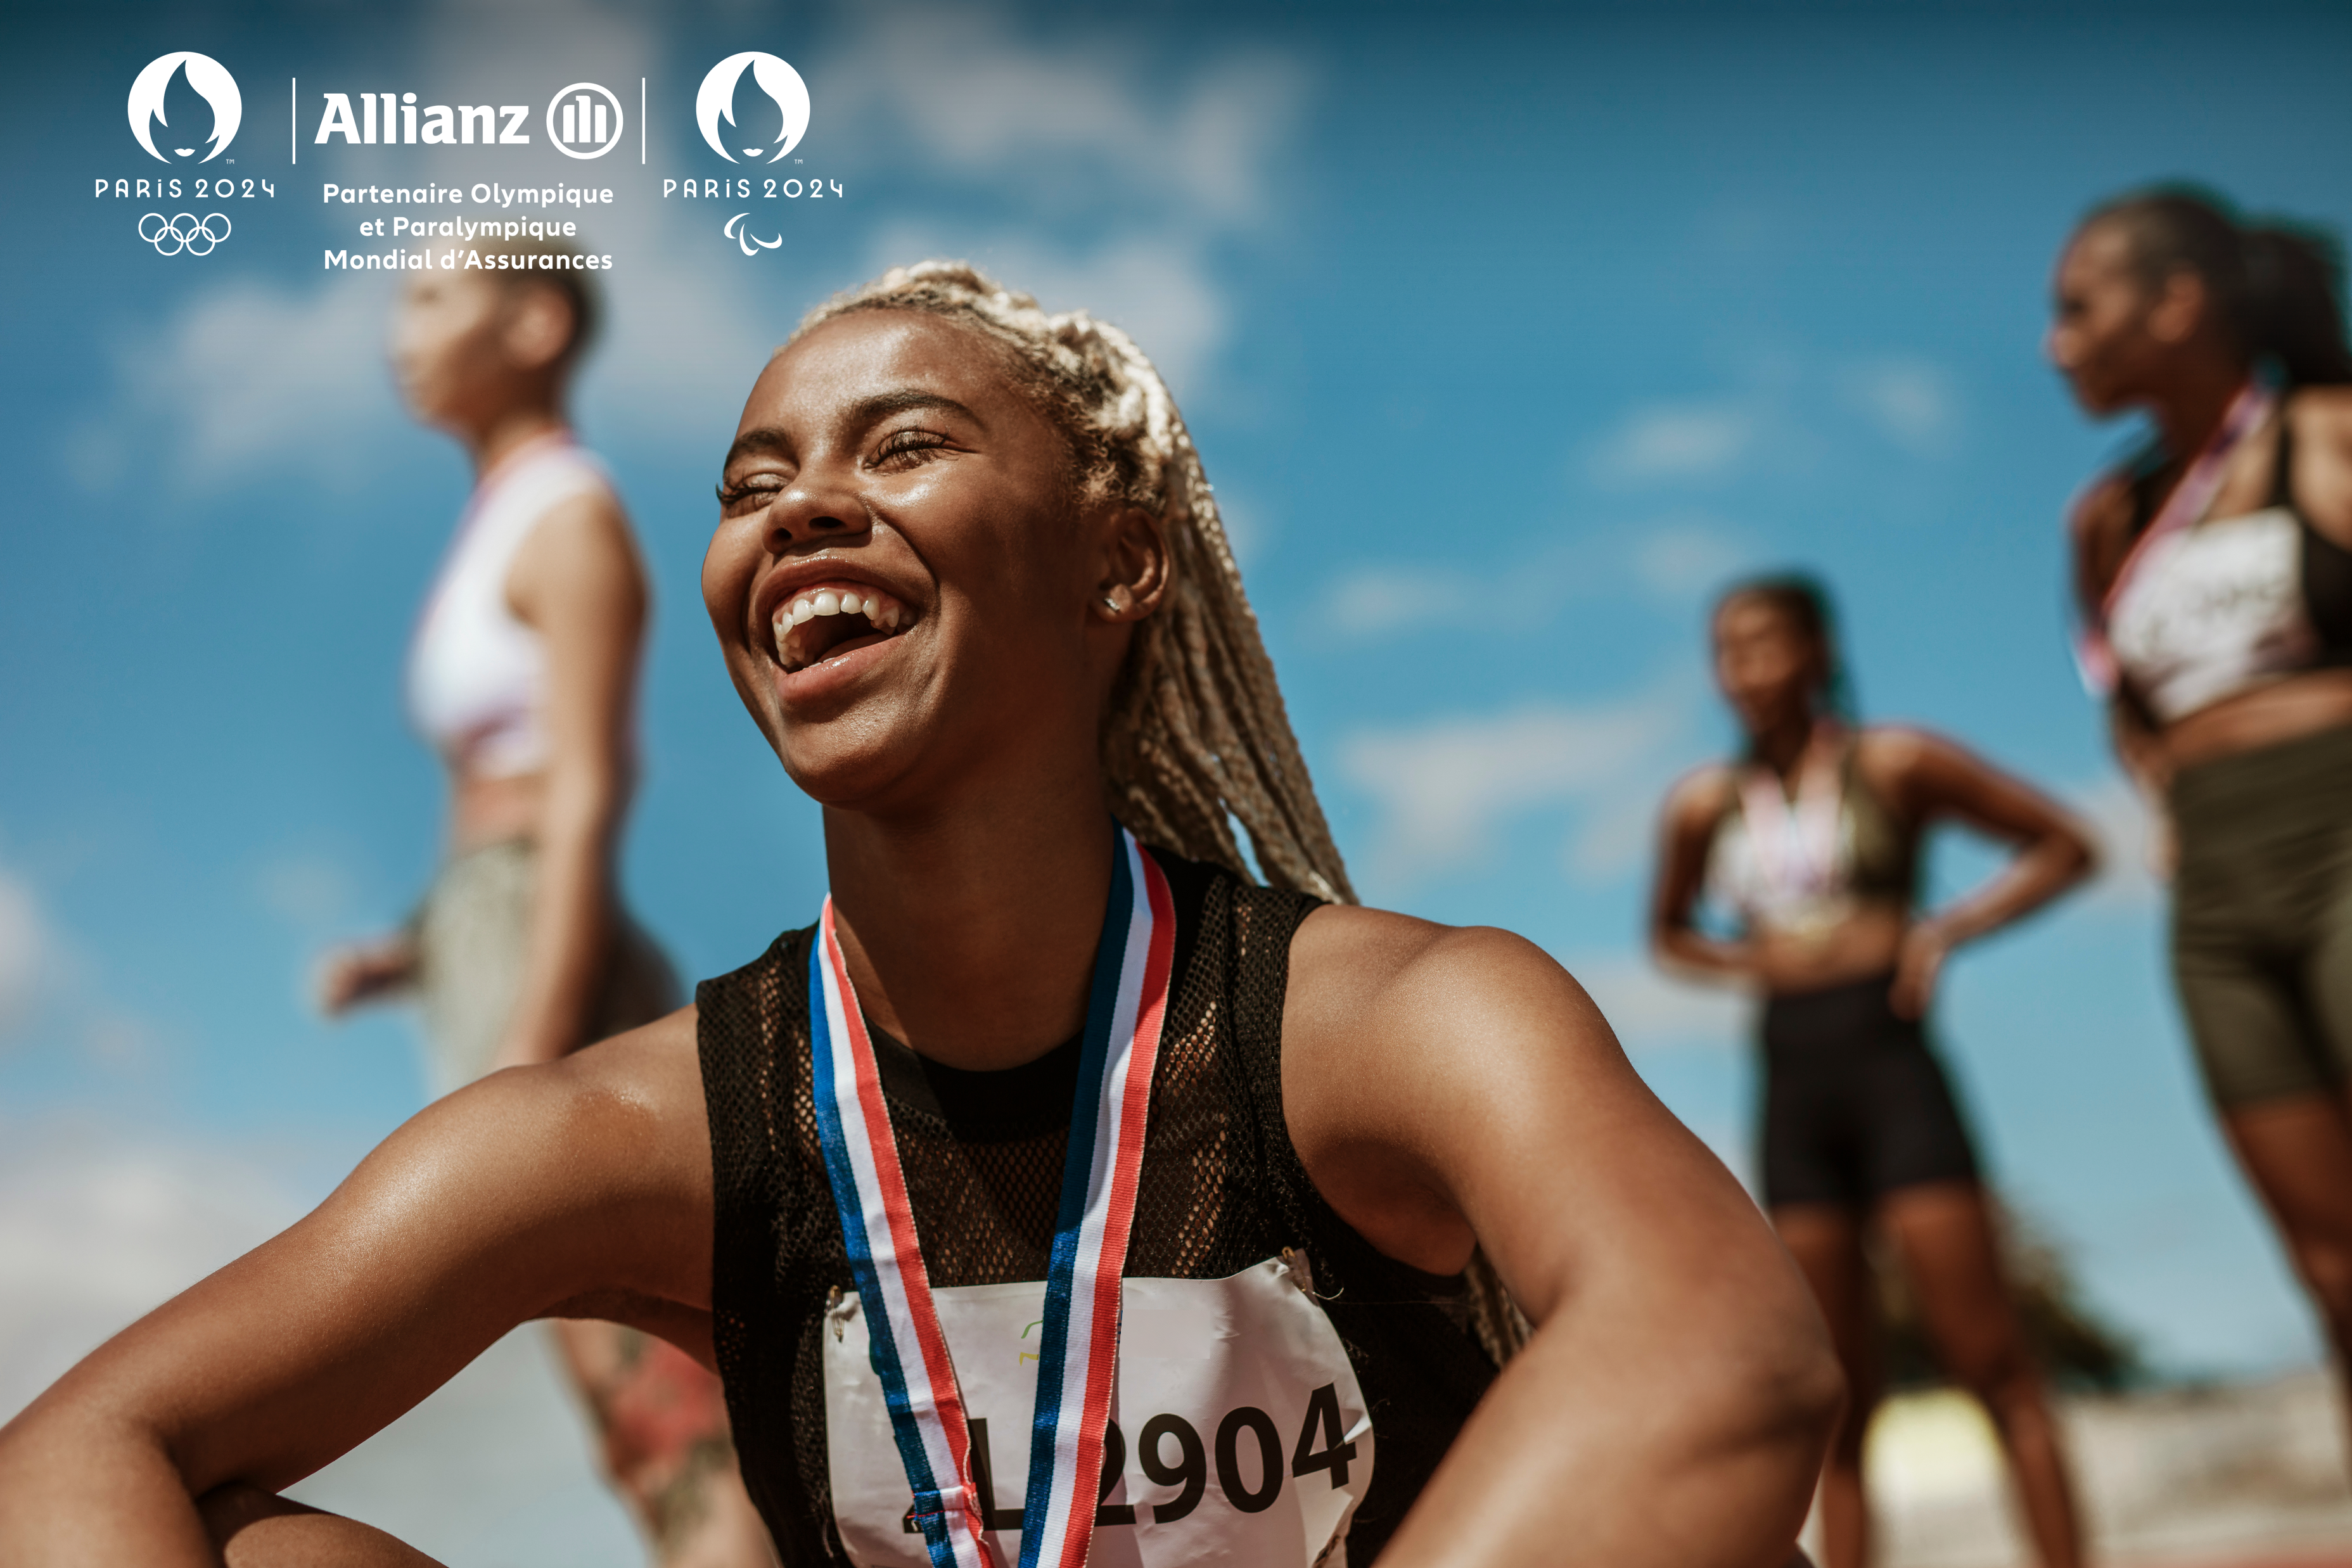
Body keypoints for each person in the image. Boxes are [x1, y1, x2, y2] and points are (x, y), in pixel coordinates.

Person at [0, 262, 1842, 1568]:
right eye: (752, 482)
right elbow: (84, 1444)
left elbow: (1726, 1352)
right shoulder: (649, 1125)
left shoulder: (1387, 1021)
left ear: (1120, 556)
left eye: (900, 446)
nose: (800, 508)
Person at [312, 241, 774, 1567]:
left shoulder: (567, 516)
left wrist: (529, 1043)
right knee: (602, 1359)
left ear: (533, 320)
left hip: (534, 938)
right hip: (487, 928)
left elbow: (581, 788)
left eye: (431, 296)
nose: (400, 329)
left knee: (647, 1368)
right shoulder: (504, 514)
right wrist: (407, 955)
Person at [1648, 575, 2095, 1568]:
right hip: (1794, 1083)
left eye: (1766, 643)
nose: (1747, 669)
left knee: (1993, 1362)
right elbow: (1669, 933)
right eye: (1728, 650)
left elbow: (2066, 843)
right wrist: (1751, 960)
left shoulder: (1895, 762)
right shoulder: (1703, 804)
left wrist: (1946, 931)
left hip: (1895, 1071)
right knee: (1837, 1392)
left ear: (1818, 652)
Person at [2052, 189, 2352, 1412]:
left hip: (2341, 836)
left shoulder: (2326, 438)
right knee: (2327, 1263)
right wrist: (2164, 793)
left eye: (2078, 308)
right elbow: (2123, 699)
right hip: (2219, 901)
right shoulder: (2105, 517)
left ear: (2177, 302)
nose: (2054, 341)